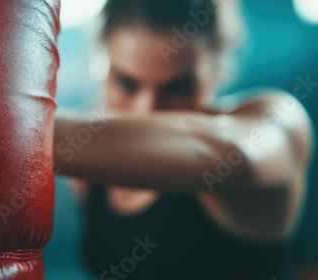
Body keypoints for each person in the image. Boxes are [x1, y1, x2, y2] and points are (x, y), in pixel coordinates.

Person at [54, 0, 314, 279]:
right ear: (101, 68)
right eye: (126, 84)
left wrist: (20, 129)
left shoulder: (275, 119)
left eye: (177, 89)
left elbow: (237, 153)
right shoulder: (89, 150)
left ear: (216, 71)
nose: (147, 110)